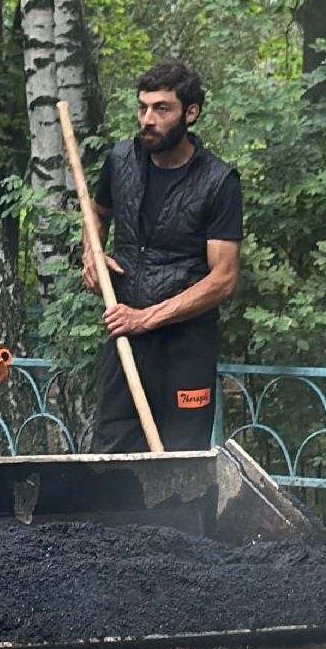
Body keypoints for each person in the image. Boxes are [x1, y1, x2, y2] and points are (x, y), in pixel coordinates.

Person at [83, 61, 244, 452]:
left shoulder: (219, 182)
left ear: (191, 113)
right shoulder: (121, 162)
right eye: (142, 108)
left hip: (186, 345)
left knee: (181, 463)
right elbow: (97, 215)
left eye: (161, 109)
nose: (148, 119)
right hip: (126, 340)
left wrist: (146, 318)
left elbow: (223, 279)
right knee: (111, 455)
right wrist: (92, 253)